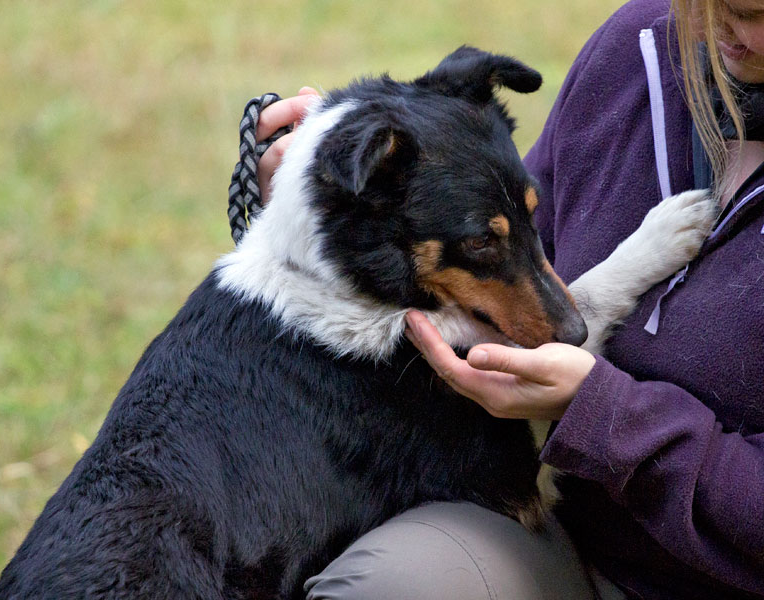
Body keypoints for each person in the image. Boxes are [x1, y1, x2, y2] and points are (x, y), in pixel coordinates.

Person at [252, 0, 764, 597]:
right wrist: (318, 219)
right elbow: (497, 242)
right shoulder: (638, 45)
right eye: (705, 1)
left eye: (751, 12)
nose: (708, 26)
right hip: (558, 539)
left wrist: (607, 415)